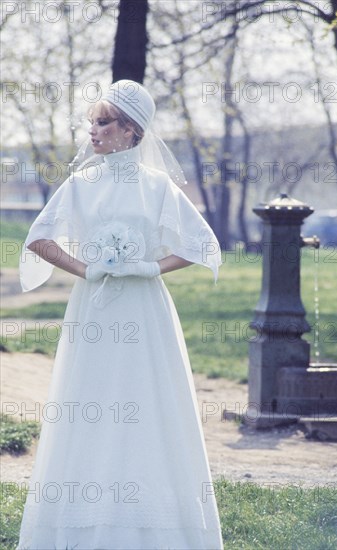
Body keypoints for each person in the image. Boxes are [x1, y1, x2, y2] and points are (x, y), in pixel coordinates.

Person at [16, 79, 223, 550]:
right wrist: (86, 270)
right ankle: (85, 519)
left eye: (103, 122)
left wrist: (149, 266)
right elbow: (39, 238)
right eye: (91, 122)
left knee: (147, 400)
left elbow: (200, 244)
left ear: (131, 131)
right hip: (95, 307)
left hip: (145, 308)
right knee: (89, 400)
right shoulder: (80, 184)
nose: (93, 131)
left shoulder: (157, 187)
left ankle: (150, 521)